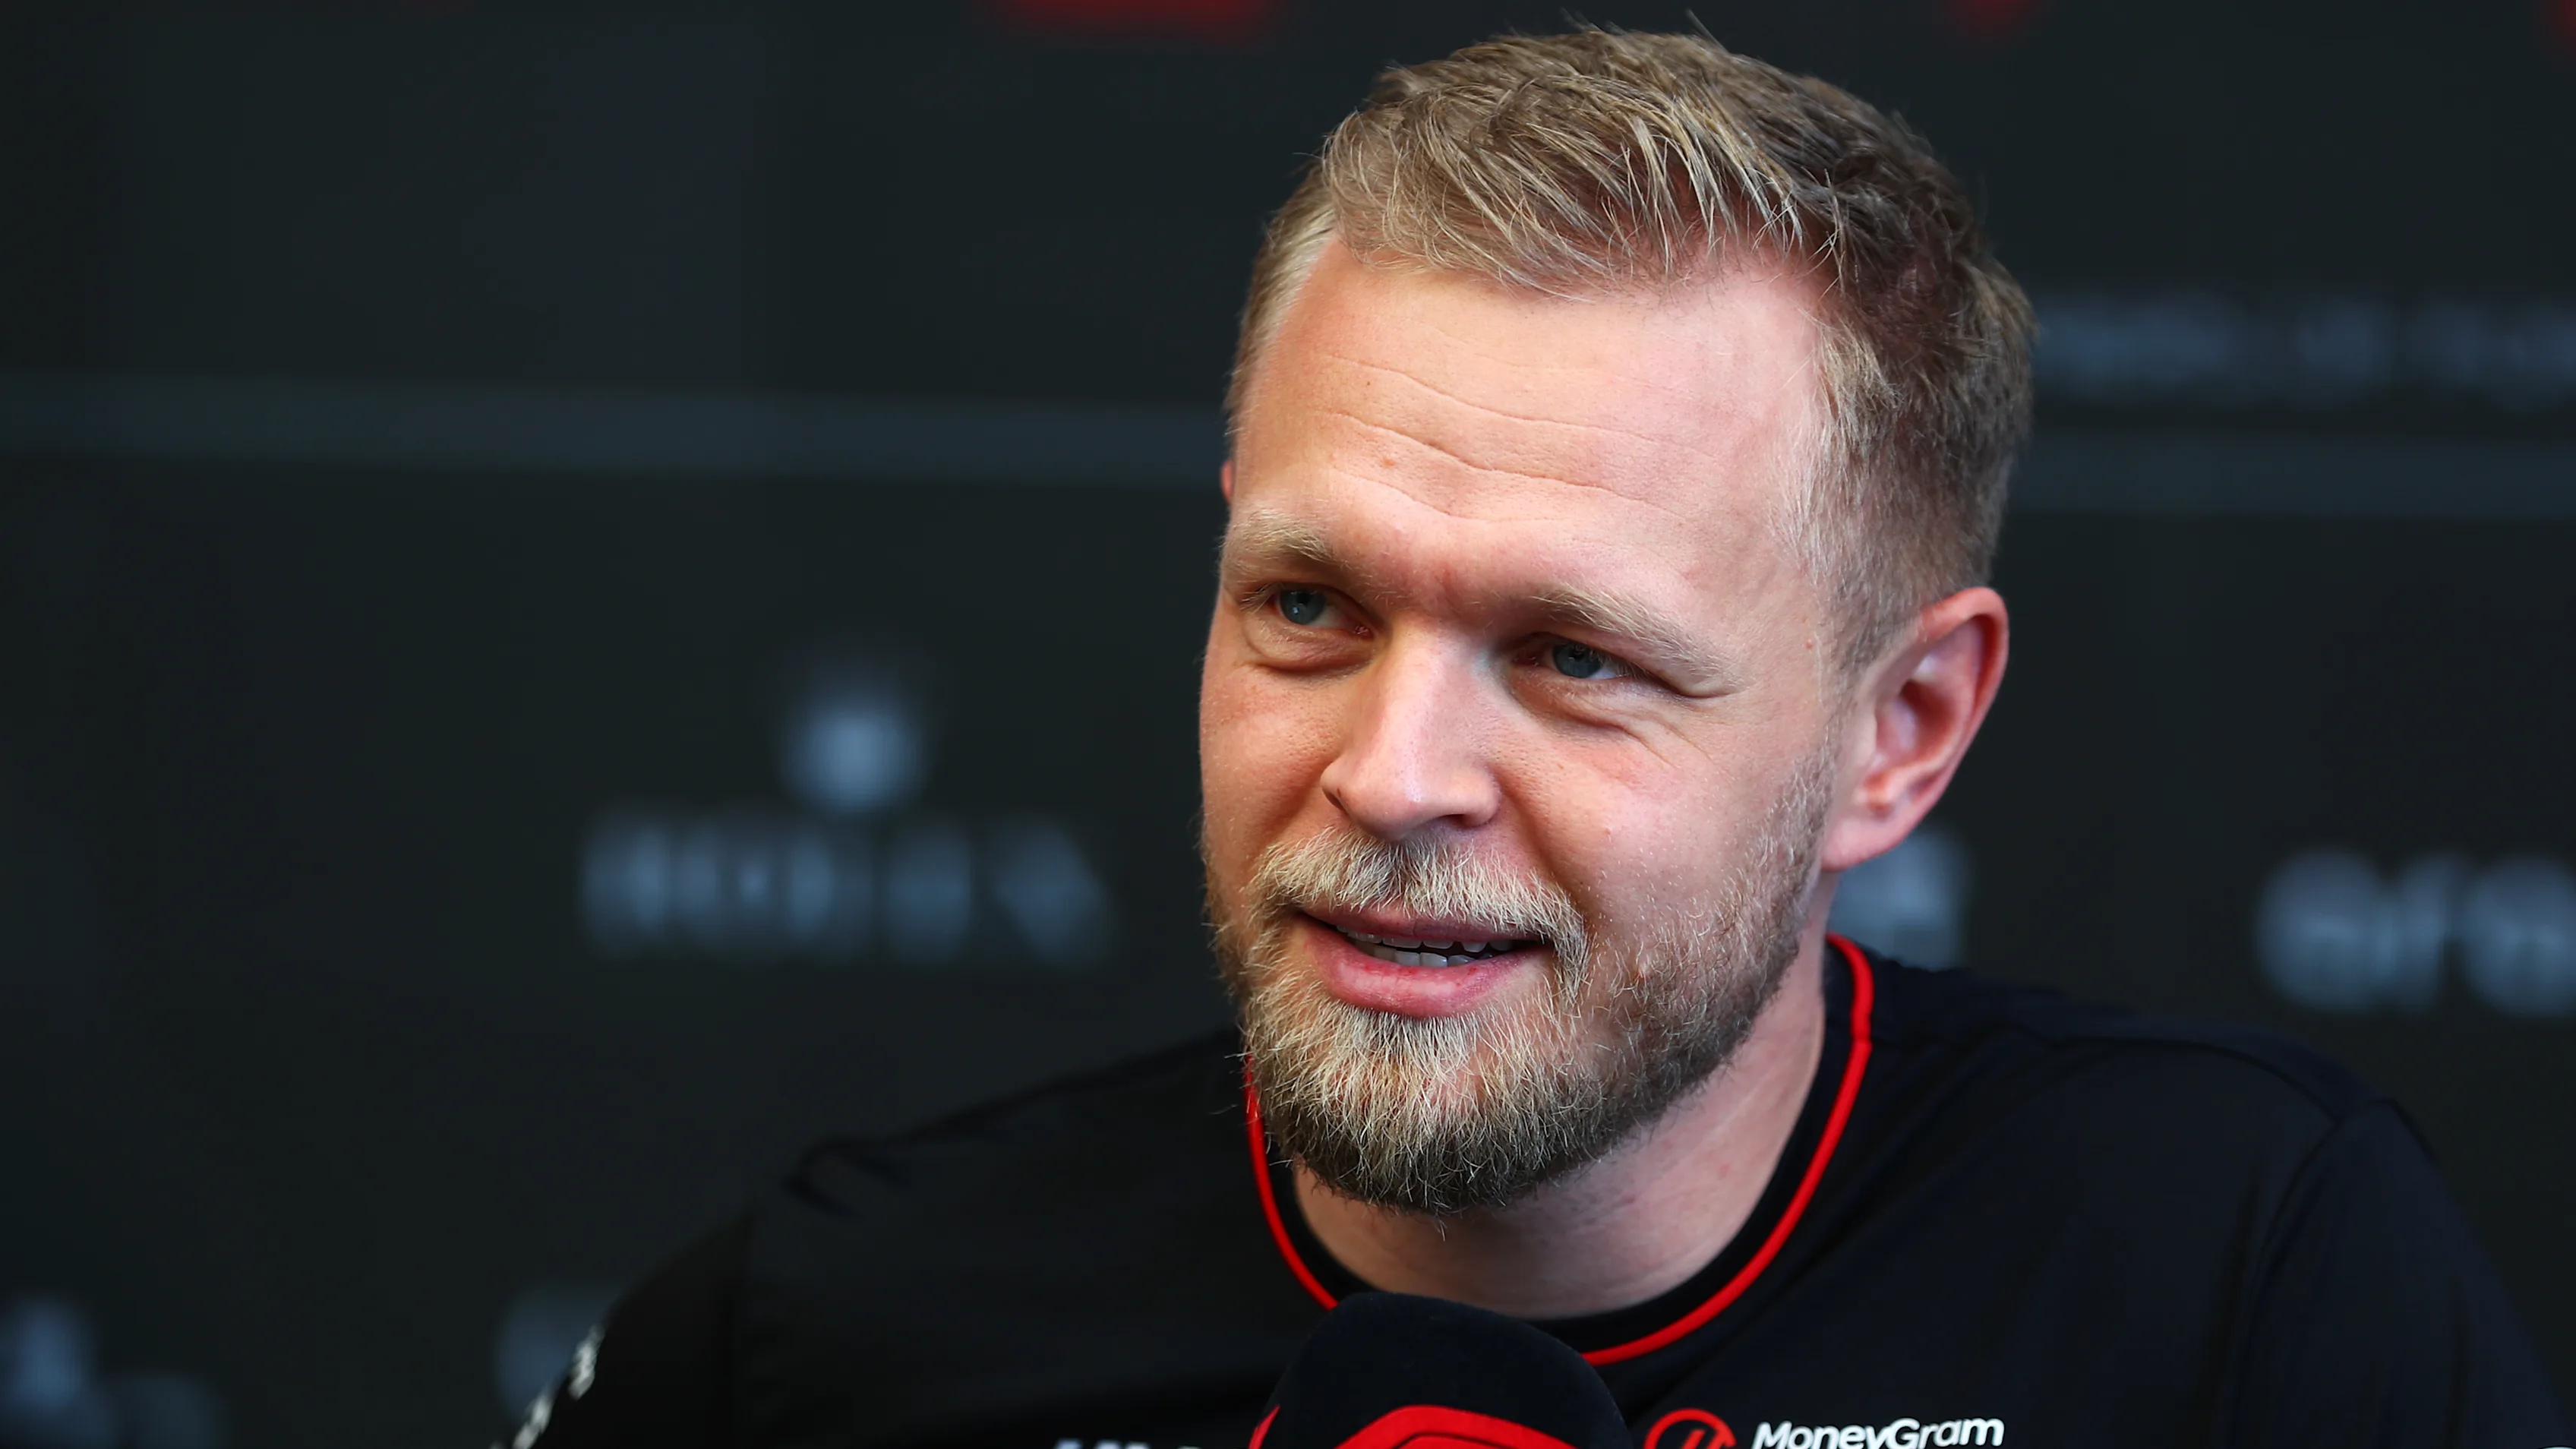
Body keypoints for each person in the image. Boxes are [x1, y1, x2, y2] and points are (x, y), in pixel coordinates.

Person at [509, 30, 2567, 1449]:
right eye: (1310, 606)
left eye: (1576, 655)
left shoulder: (2247, 1269)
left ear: (1902, 728)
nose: (1394, 771)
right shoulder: (824, 1335)